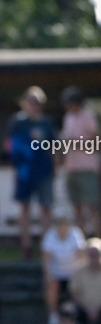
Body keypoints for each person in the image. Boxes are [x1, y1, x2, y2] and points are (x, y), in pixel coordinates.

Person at [5, 86, 57, 259]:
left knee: (46, 209)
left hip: (45, 171)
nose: (36, 105)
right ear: (24, 103)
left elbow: (55, 146)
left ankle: (45, 247)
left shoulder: (47, 123)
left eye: (38, 102)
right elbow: (9, 146)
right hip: (25, 172)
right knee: (24, 209)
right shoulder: (18, 122)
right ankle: (26, 247)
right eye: (32, 102)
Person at [59, 86, 101, 239]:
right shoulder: (68, 118)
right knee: (76, 209)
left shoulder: (88, 116)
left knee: (92, 208)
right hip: (71, 168)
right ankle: (81, 244)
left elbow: (96, 144)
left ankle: (98, 243)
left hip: (87, 168)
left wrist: (74, 144)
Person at [41, 209, 86, 324]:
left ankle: (76, 315)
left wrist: (79, 276)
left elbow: (80, 255)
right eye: (59, 223)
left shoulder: (76, 234)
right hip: (56, 274)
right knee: (51, 285)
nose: (62, 226)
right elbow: (46, 258)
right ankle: (53, 315)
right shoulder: (50, 235)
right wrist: (48, 275)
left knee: (78, 287)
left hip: (73, 274)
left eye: (64, 223)